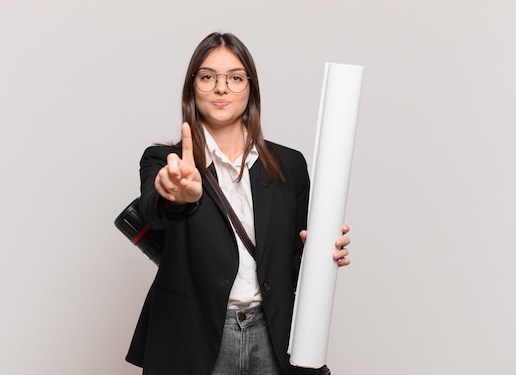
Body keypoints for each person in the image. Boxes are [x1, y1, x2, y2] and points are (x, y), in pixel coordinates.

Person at [125, 32, 351, 375]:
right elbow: (154, 212)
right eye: (207, 77)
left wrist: (324, 255)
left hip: (273, 334)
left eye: (234, 77)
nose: (221, 88)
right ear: (192, 88)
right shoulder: (163, 160)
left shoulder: (289, 165)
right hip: (194, 337)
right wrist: (176, 197)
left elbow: (294, 257)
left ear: (251, 88)